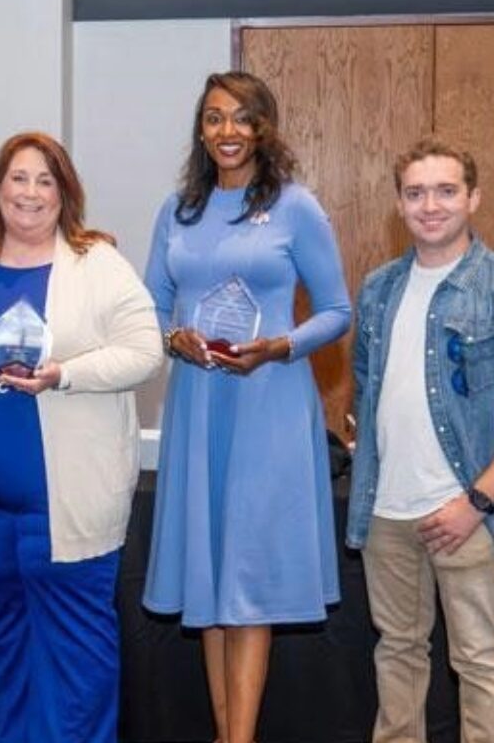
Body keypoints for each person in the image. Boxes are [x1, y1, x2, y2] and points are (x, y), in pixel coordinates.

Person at [142, 71, 351, 743]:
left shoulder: (296, 207)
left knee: (248, 584)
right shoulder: (177, 211)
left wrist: (280, 346)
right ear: (200, 130)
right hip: (199, 406)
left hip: (269, 405)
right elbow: (148, 307)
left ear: (264, 126)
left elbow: (337, 312)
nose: (226, 131)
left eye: (241, 118)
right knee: (210, 587)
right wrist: (173, 337)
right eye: (213, 118)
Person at [0, 132, 162, 742]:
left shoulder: (96, 263)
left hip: (65, 509)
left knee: (75, 666)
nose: (30, 193)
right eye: (18, 178)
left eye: (45, 181)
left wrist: (65, 374)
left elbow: (146, 351)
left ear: (65, 194)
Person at [347, 138, 494, 742]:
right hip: (386, 510)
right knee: (398, 655)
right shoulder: (379, 287)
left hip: (469, 513)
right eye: (415, 193)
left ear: (473, 198)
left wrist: (477, 502)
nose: (429, 205)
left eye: (445, 191)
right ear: (399, 204)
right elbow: (365, 386)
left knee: (481, 663)